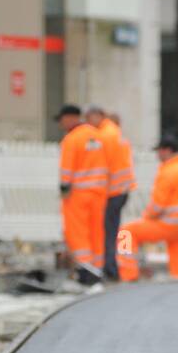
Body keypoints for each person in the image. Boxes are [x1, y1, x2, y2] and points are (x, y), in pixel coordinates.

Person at [115, 135, 178, 282]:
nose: (157, 155)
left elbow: (157, 206)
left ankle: (128, 274)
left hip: (169, 225)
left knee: (126, 232)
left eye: (159, 151)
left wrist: (146, 218)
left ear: (166, 150)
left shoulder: (168, 171)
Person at [58, 104, 109, 279]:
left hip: (78, 195)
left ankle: (85, 269)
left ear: (69, 118)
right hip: (99, 193)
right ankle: (98, 267)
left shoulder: (72, 139)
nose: (61, 124)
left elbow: (67, 171)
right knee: (96, 232)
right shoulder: (98, 136)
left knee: (77, 232)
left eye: (61, 120)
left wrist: (64, 191)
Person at [91, 106, 135, 281]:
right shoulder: (118, 134)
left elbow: (102, 164)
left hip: (112, 191)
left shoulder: (105, 135)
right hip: (122, 189)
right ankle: (114, 267)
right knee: (114, 229)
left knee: (108, 231)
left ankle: (110, 267)